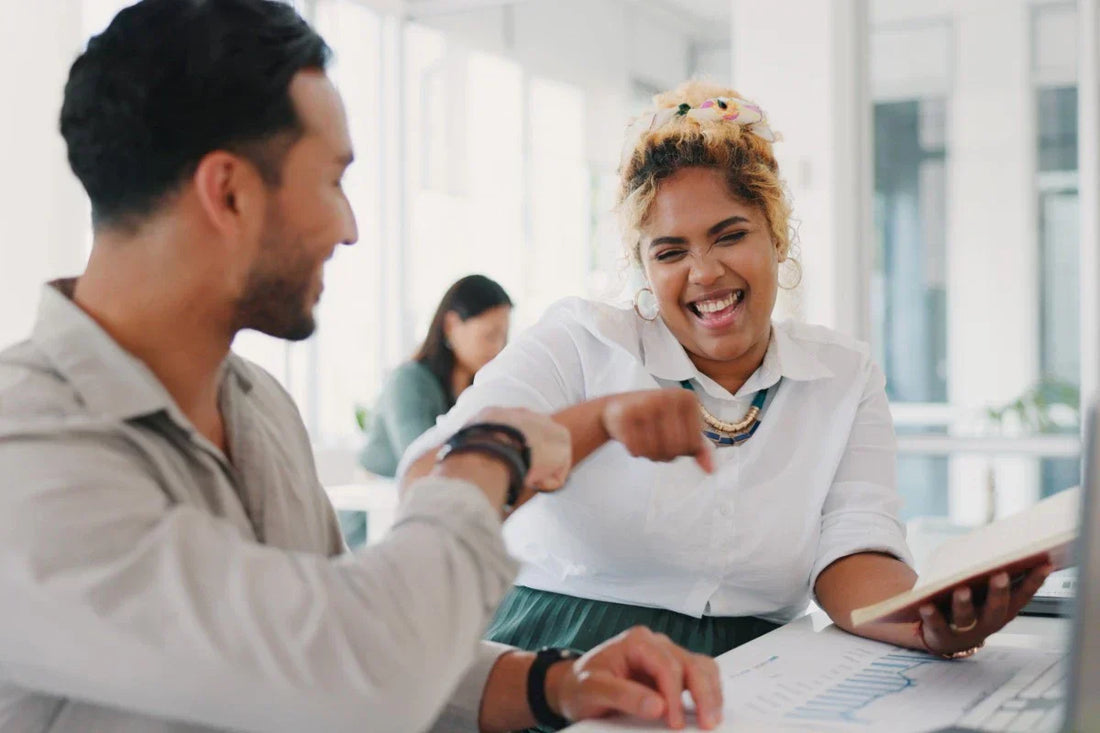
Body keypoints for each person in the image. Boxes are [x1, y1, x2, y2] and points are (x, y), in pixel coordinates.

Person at [0, 4, 724, 732]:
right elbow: (358, 672)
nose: (350, 228)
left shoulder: (258, 405)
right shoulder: (23, 455)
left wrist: (557, 682)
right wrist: (490, 452)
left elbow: (333, 629)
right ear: (229, 193)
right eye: (334, 181)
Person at [400, 81, 1051, 664]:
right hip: (559, 658)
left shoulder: (843, 374)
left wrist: (926, 622)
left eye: (729, 234)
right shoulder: (578, 342)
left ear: (777, 235)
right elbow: (432, 479)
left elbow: (854, 551)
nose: (704, 272)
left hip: (756, 671)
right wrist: (595, 424)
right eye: (671, 250)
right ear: (645, 267)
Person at [340, 275, 512, 547]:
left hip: (427, 516)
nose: (499, 347)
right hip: (374, 522)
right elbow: (421, 459)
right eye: (490, 335)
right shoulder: (408, 381)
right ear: (452, 324)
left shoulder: (476, 389)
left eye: (504, 336)